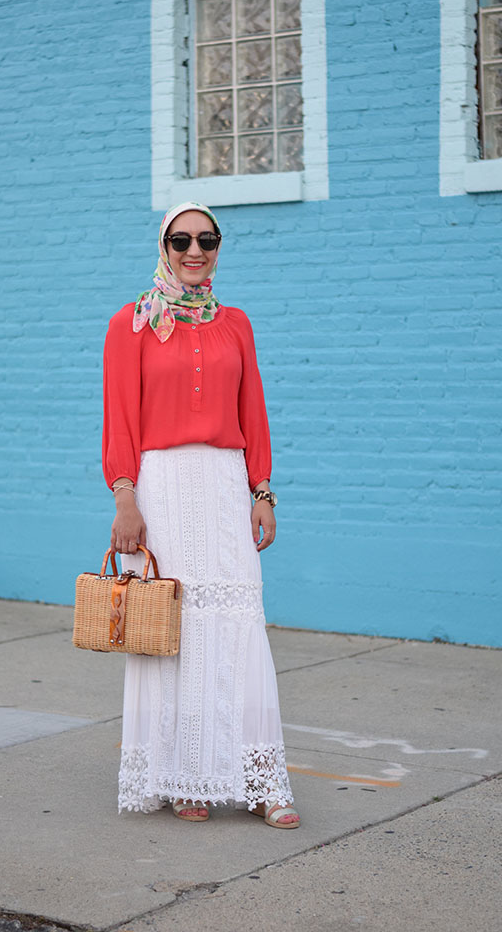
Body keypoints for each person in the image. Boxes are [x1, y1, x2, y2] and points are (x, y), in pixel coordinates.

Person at [102, 200, 299, 828]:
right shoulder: (130, 324)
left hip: (221, 485)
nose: (195, 251)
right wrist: (124, 497)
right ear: (164, 247)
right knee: (169, 633)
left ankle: (265, 783)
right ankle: (185, 775)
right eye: (182, 240)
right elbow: (120, 419)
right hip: (158, 487)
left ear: (218, 249)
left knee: (238, 625)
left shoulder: (236, 323)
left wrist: (261, 491)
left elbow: (254, 413)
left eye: (207, 241)